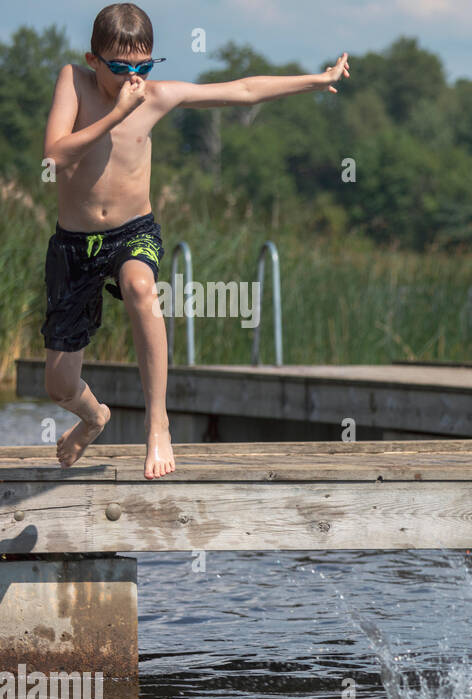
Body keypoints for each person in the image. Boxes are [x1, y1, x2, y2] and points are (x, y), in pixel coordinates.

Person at [40, 2, 349, 478]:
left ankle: (158, 423)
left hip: (132, 232)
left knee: (142, 289)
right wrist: (117, 115)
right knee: (59, 385)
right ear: (92, 59)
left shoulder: (157, 96)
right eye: (120, 68)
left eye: (143, 67)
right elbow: (56, 153)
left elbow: (242, 91)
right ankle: (94, 416)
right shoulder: (74, 83)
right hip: (75, 245)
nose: (132, 79)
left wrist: (313, 80)